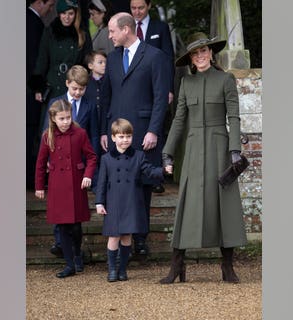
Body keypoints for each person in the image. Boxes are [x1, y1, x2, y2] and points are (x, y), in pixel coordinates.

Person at [160, 32, 247, 284]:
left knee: (225, 204)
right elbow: (178, 120)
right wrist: (167, 152)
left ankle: (227, 266)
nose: (200, 56)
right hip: (194, 148)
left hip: (220, 147)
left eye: (204, 51)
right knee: (188, 202)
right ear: (190, 59)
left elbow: (234, 116)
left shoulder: (226, 79)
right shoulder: (186, 83)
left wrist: (234, 150)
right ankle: (177, 265)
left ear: (211, 53)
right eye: (195, 54)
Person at [99, 12, 170, 257]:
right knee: (117, 188)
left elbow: (161, 99)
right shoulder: (112, 58)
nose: (109, 36)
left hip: (142, 134)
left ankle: (140, 240)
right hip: (116, 134)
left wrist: (153, 130)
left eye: (112, 31)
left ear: (126, 29)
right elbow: (105, 98)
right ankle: (118, 242)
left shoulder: (155, 56)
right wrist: (103, 131)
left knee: (142, 187)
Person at [35, 99, 97, 278]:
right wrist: (39, 186)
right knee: (62, 226)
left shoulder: (80, 133)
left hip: (76, 183)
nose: (65, 122)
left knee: (76, 226)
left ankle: (77, 254)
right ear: (53, 118)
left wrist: (87, 175)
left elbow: (92, 157)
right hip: (57, 184)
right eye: (61, 119)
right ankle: (69, 264)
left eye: (68, 118)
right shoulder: (48, 136)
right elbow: (40, 163)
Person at [95, 119, 164, 282]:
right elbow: (102, 182)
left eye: (128, 136)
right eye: (121, 136)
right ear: (113, 138)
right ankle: (112, 269)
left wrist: (163, 171)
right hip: (113, 203)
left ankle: (123, 269)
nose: (125, 140)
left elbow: (149, 171)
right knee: (113, 237)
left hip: (131, 201)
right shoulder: (106, 159)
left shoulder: (139, 156)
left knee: (126, 237)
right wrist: (99, 202)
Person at [43, 65, 100, 257]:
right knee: (59, 205)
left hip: (78, 165)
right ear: (67, 83)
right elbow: (47, 132)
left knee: (74, 207)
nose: (77, 92)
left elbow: (93, 136)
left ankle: (75, 250)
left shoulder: (90, 105)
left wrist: (90, 169)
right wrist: (49, 160)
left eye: (81, 89)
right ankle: (59, 243)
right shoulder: (55, 102)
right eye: (74, 88)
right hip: (58, 165)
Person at [130, 0, 175, 194]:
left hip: (157, 85)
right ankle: (136, 173)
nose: (137, 12)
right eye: (133, 8)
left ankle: (156, 177)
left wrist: (169, 88)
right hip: (137, 86)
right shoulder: (127, 26)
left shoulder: (160, 27)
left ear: (149, 6)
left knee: (156, 128)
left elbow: (168, 58)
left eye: (140, 8)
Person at [33, 0, 93, 126]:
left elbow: (87, 62)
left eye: (70, 13)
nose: (67, 17)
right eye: (63, 13)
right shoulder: (50, 32)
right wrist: (38, 87)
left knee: (71, 124)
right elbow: (42, 59)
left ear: (76, 14)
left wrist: (80, 82)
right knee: (49, 126)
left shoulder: (82, 34)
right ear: (58, 14)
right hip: (53, 85)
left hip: (72, 86)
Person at [27, 0, 55, 189]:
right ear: (39, 3)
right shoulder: (34, 24)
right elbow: (34, 61)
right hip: (30, 91)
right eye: (50, 5)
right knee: (30, 135)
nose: (51, 9)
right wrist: (38, 87)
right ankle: (31, 178)